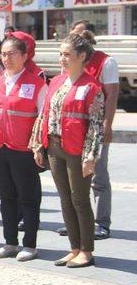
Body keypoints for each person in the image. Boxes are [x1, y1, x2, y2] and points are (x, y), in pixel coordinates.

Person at [30, 33, 104, 268]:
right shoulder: (56, 82)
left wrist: (90, 157)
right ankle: (74, 247)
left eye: (67, 55)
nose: (62, 59)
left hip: (76, 149)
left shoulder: (92, 87)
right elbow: (44, 114)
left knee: (80, 199)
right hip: (54, 146)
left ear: (82, 56)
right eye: (60, 54)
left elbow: (95, 125)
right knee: (65, 199)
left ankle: (87, 250)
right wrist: (38, 144)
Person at [0, 37, 47, 262]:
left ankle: (30, 245)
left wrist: (39, 147)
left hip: (23, 149)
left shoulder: (36, 83)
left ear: (24, 56)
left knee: (28, 198)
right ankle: (10, 242)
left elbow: (43, 117)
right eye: (3, 54)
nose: (7, 58)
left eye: (12, 53)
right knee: (6, 197)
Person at [66, 21, 119, 240]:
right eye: (72, 35)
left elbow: (112, 95)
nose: (75, 40)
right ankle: (78, 223)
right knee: (74, 177)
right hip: (73, 129)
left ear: (89, 37)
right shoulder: (70, 61)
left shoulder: (106, 62)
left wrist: (107, 124)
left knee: (98, 176)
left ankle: (101, 223)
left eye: (79, 36)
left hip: (95, 129)